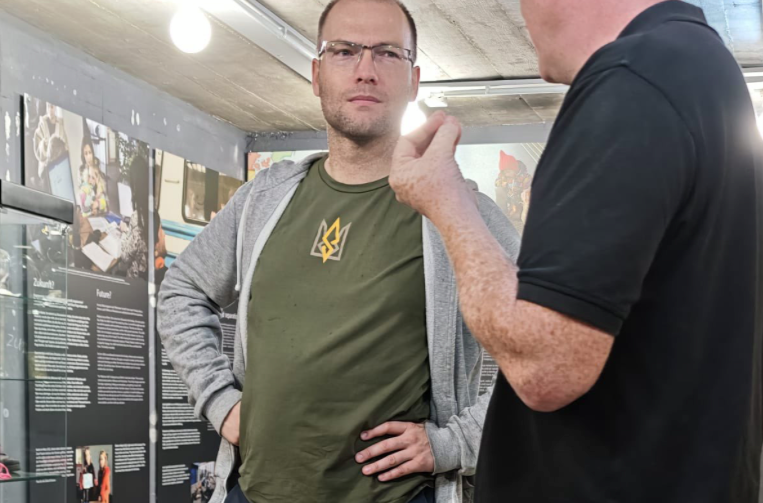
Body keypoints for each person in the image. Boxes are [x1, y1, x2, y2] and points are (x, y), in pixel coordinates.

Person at [388, 1, 763, 502]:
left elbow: (544, 367)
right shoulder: (700, 74)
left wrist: (446, 201)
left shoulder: (631, 80)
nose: (523, 14)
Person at [157, 1, 519, 502]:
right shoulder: (264, 198)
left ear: (414, 80)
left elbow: (545, 341)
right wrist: (219, 400)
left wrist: (454, 442)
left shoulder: (456, 208)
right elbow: (181, 292)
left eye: (387, 53)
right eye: (345, 51)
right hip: (254, 493)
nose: (365, 70)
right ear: (316, 73)